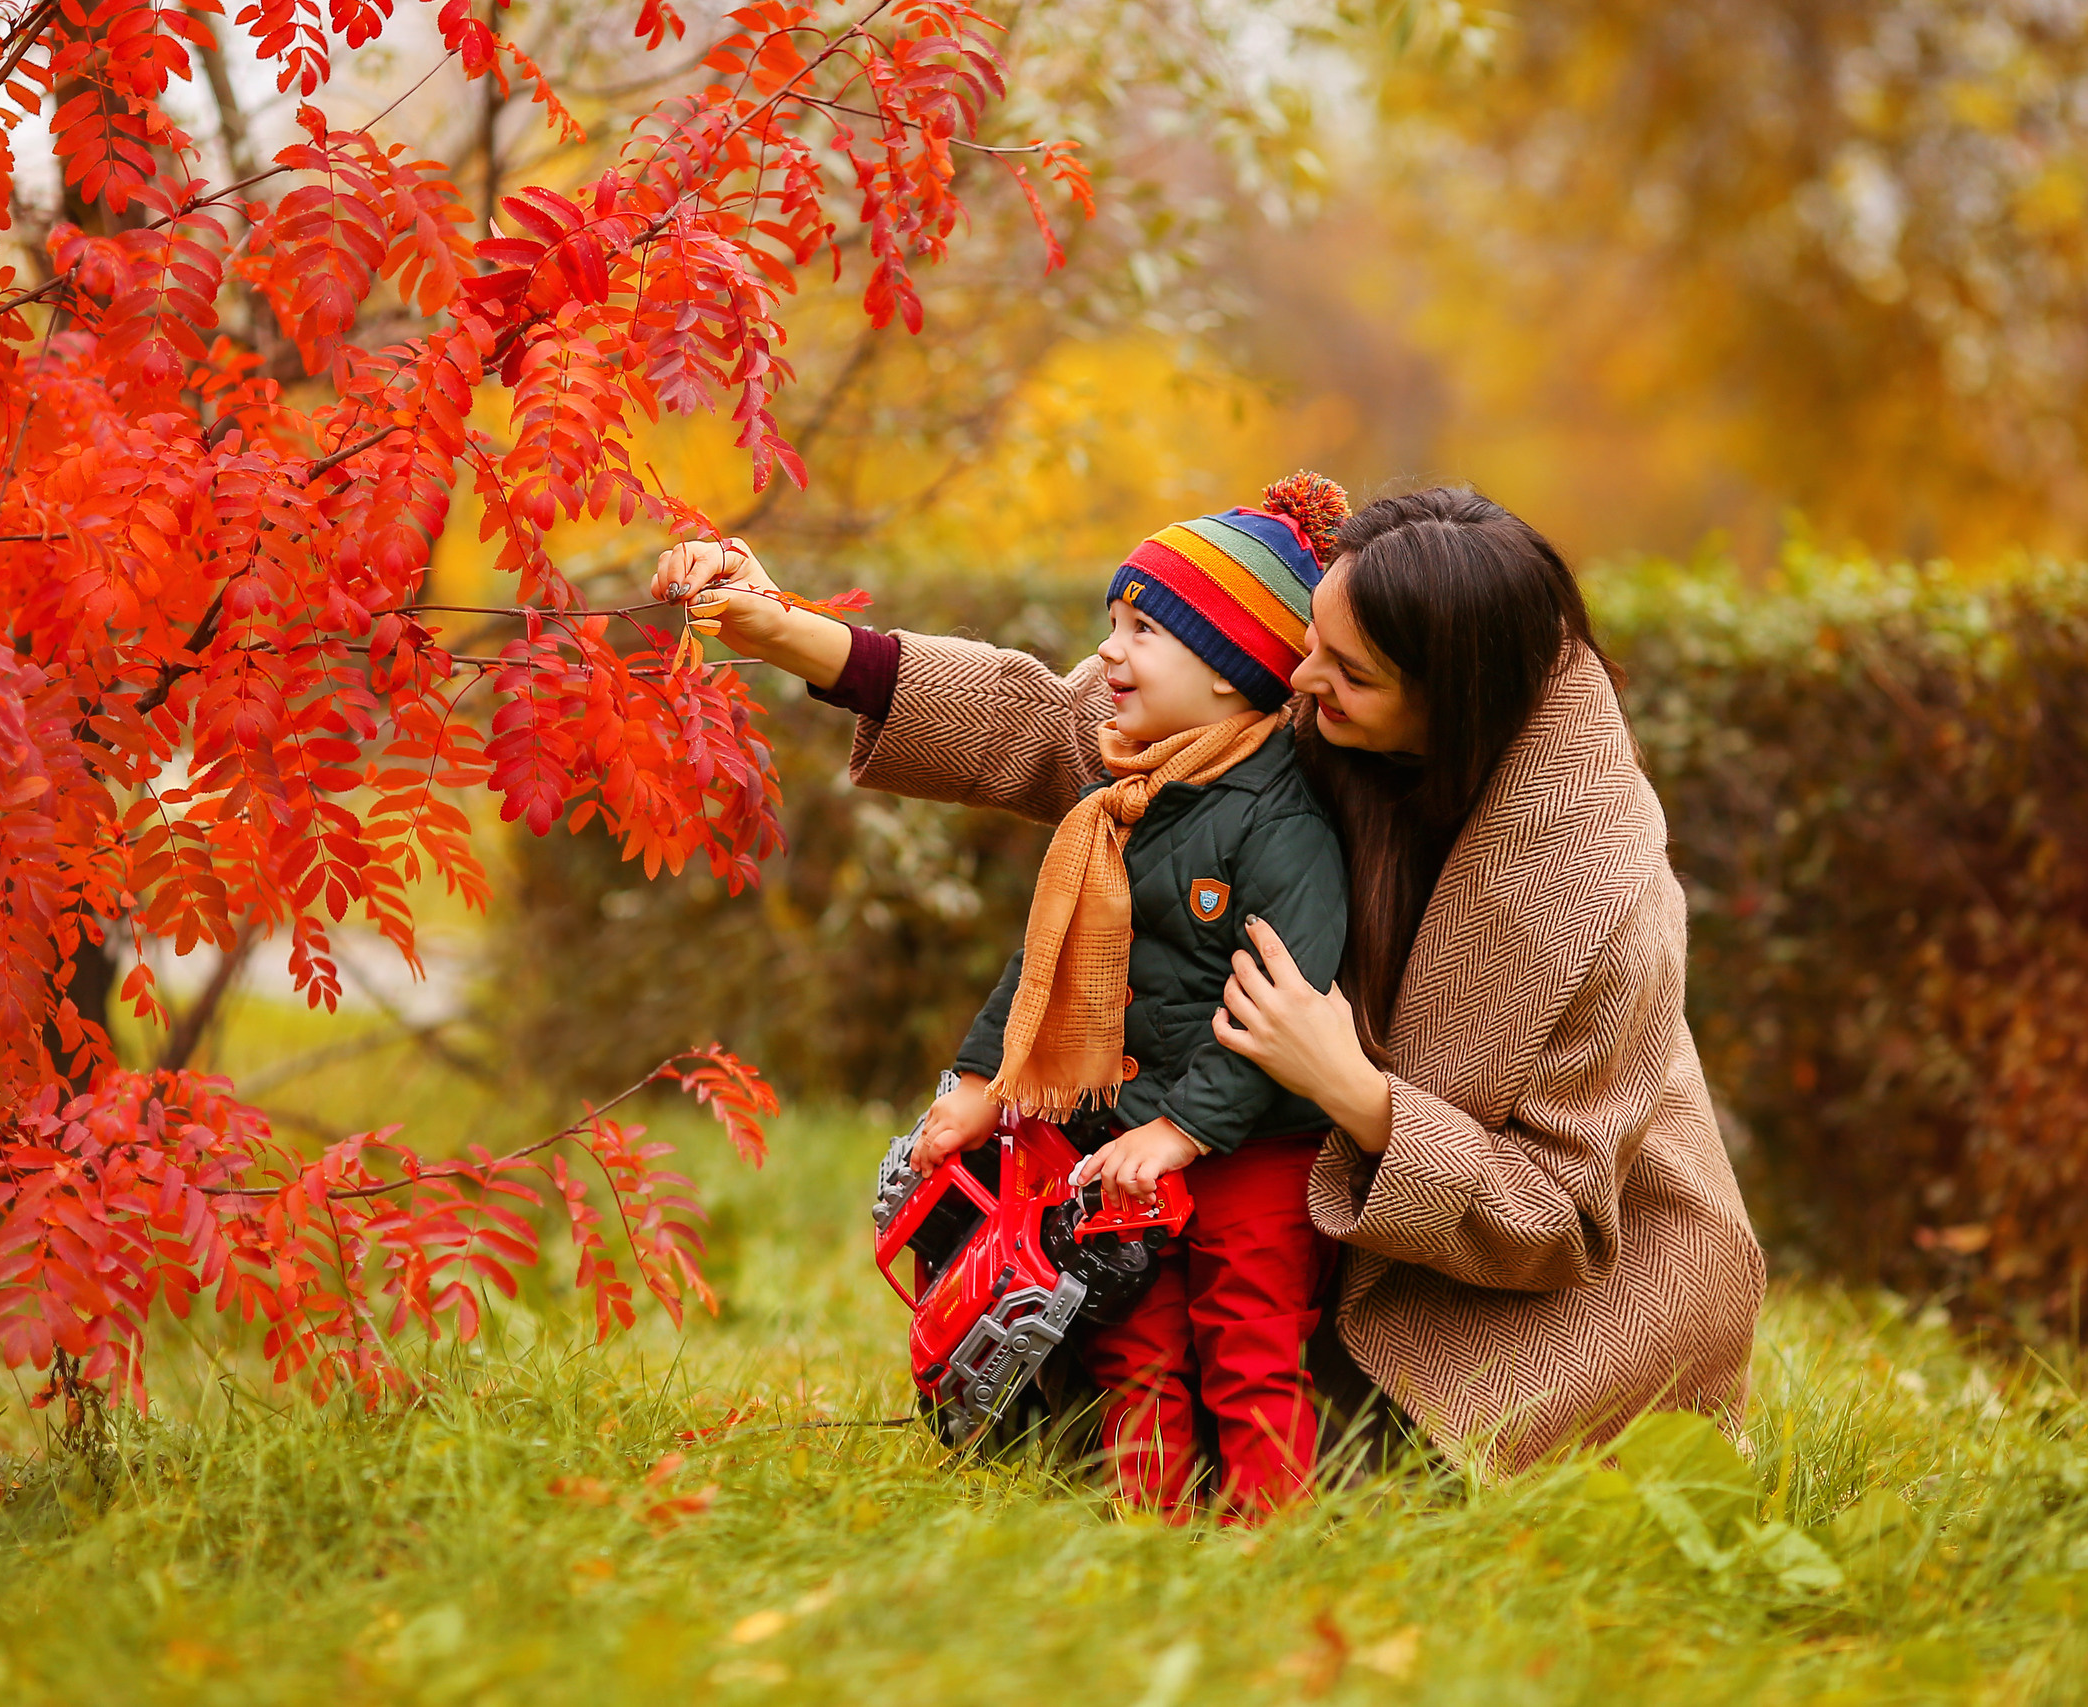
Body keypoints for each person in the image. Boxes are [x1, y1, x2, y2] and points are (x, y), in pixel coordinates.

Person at [656, 484, 1765, 1474]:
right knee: (1129, 1413)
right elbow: (1066, 723)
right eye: (1310, 639)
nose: (1297, 675)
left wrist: (1358, 1093)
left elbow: (1554, 1221)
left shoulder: (1600, 894)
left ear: (1450, 702)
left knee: (1362, 1471)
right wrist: (791, 634)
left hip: (1549, 1312)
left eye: (1347, 673)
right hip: (1286, 1182)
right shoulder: (1323, 663)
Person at [896, 479, 1354, 1518]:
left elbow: (1283, 1004)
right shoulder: (1125, 803)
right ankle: (1145, 1532)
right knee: (1132, 1349)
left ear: (1236, 672)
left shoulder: (1285, 827)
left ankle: (1266, 1539)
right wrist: (980, 1084)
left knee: (1247, 1346)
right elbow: (1045, 963)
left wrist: (1186, 1134)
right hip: (1123, 1145)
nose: (1107, 651)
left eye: (1141, 629)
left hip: (1252, 1154)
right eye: (1113, 622)